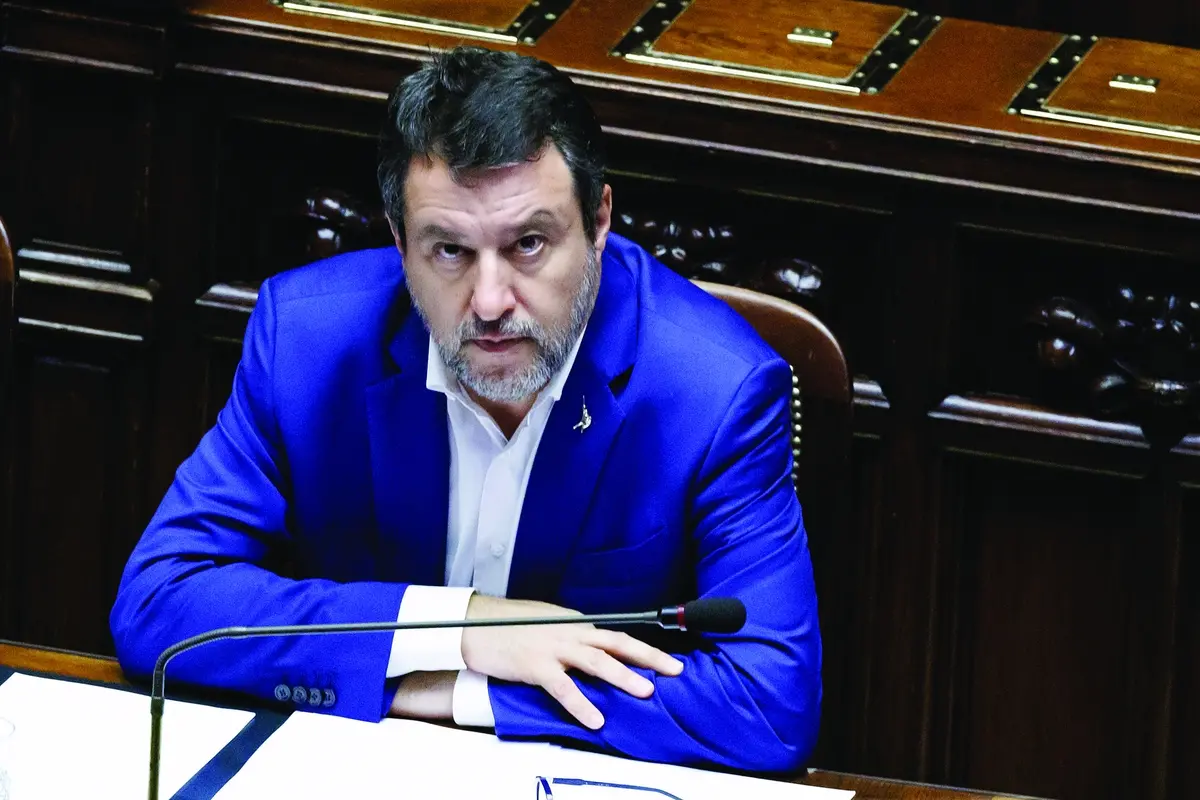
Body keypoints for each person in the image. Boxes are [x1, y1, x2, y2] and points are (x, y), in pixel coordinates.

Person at [110, 45, 822, 772]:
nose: (489, 303)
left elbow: (768, 702)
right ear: (397, 239)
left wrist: (454, 689)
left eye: (530, 244)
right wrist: (462, 628)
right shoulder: (304, 341)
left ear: (600, 219)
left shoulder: (714, 390)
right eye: (448, 250)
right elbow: (161, 603)